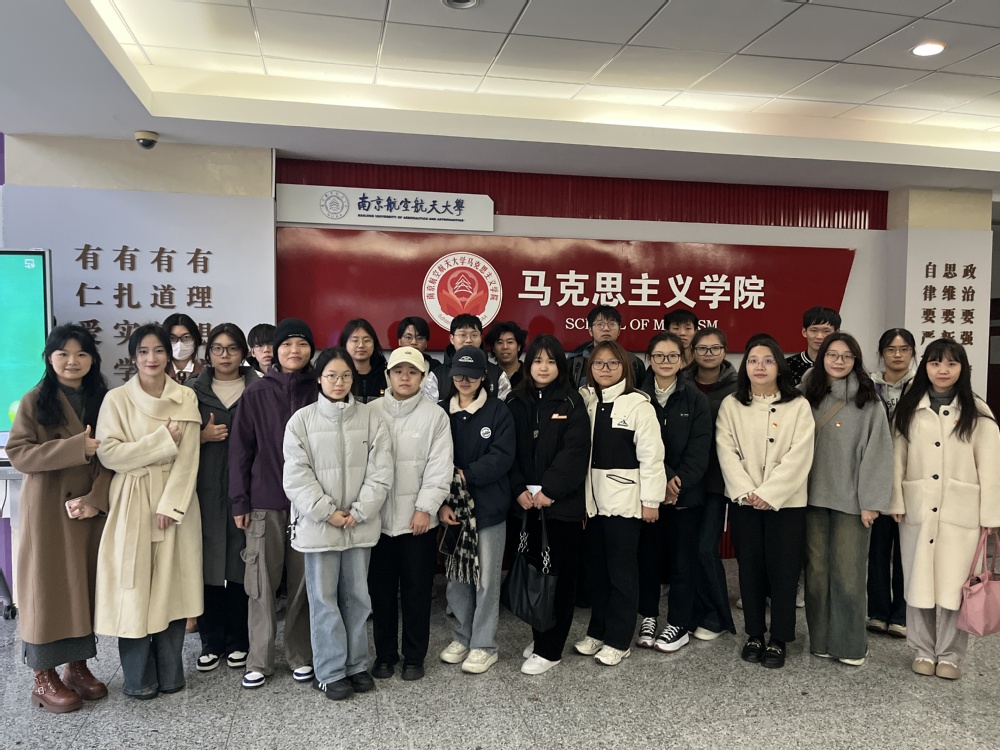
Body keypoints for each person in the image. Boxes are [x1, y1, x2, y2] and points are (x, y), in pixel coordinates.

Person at [7, 324, 113, 713]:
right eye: (63, 354)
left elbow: (114, 455)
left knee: (80, 589)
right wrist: (74, 448)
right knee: (48, 590)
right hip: (50, 512)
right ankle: (43, 676)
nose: (73, 361)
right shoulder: (35, 400)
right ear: (49, 358)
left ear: (92, 359)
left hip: (88, 511)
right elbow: (19, 453)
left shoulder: (103, 398)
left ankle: (77, 667)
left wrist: (97, 499)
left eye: (81, 354)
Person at [94, 323, 203, 698]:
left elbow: (189, 458)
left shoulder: (185, 397)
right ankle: (139, 679)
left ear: (169, 355)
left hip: (176, 502)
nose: (151, 358)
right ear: (133, 356)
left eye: (159, 350)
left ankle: (172, 675)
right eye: (143, 351)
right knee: (135, 589)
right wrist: (161, 442)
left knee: (173, 589)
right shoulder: (117, 399)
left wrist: (172, 506)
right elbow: (109, 454)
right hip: (132, 499)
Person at [283, 347, 393, 700]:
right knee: (324, 600)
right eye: (331, 375)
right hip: (320, 527)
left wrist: (359, 511)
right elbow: (296, 476)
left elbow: (381, 471)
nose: (339, 382)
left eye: (345, 375)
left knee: (358, 598)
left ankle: (356, 665)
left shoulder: (371, 419)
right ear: (319, 378)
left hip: (359, 525)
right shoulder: (301, 421)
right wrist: (327, 511)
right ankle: (330, 671)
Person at [889, 338, 1000, 681]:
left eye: (951, 363)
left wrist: (990, 518)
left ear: (962, 369)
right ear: (925, 366)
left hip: (962, 513)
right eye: (935, 363)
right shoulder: (909, 409)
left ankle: (950, 654)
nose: (942, 370)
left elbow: (991, 468)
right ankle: (922, 649)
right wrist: (896, 500)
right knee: (918, 581)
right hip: (919, 508)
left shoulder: (978, 412)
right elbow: (897, 460)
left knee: (956, 585)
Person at [229, 318, 317, 689]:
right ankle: (259, 659)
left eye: (302, 343)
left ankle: (300, 654)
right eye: (287, 344)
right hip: (265, 501)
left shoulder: (321, 388)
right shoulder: (256, 393)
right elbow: (240, 452)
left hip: (311, 505)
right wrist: (240, 501)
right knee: (261, 585)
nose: (294, 350)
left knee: (302, 585)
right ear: (275, 351)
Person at [716, 336, 814, 670]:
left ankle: (780, 638)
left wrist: (770, 493)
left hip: (787, 504)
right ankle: (755, 634)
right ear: (745, 366)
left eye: (768, 360)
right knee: (750, 569)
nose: (760, 366)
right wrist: (747, 491)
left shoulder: (798, 404)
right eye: (753, 360)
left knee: (784, 572)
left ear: (779, 366)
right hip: (745, 504)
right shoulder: (732, 404)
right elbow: (726, 450)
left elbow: (800, 454)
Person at [801, 332, 893, 667]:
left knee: (849, 576)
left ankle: (851, 645)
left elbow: (878, 453)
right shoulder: (805, 395)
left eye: (847, 356)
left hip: (852, 501)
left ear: (856, 361)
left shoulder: (868, 400)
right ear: (821, 357)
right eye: (832, 354)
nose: (839, 361)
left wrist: (871, 502)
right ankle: (821, 640)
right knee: (816, 575)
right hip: (809, 498)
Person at [573, 341, 666, 667]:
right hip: (591, 503)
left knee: (622, 574)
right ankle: (597, 631)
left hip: (625, 504)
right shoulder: (585, 400)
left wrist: (651, 501)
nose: (605, 369)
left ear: (624, 368)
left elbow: (652, 457)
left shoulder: (638, 404)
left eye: (613, 363)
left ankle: (618, 639)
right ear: (590, 368)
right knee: (596, 572)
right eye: (599, 363)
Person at [506, 335, 591, 675]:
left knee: (560, 577)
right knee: (534, 573)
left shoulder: (571, 401)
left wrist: (549, 490)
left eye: (551, 361)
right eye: (538, 361)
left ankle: (551, 648)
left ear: (561, 366)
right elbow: (507, 450)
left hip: (560, 506)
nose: (544, 367)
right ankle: (540, 634)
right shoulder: (515, 400)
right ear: (529, 365)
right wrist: (518, 489)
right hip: (526, 506)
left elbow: (575, 452)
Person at [368, 346, 453, 682]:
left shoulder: (435, 416)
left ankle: (414, 657)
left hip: (418, 522)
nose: (405, 377)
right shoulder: (369, 412)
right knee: (381, 593)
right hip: (376, 523)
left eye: (412, 372)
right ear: (388, 375)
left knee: (417, 592)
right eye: (398, 371)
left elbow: (439, 468)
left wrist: (425, 509)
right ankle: (385, 655)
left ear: (423, 377)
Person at [438, 346, 516, 675]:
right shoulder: (440, 411)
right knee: (457, 577)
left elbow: (502, 456)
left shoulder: (498, 411)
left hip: (489, 508)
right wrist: (441, 501)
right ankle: (463, 635)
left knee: (485, 579)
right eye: (459, 374)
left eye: (472, 375)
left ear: (484, 376)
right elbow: (432, 458)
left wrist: (466, 474)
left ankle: (484, 644)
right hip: (452, 509)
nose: (465, 380)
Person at [188, 323, 257, 673]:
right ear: (208, 353)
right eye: (217, 348)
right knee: (207, 563)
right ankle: (210, 640)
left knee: (242, 563)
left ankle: (239, 639)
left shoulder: (257, 388)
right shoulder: (191, 391)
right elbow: (172, 438)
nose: (225, 355)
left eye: (232, 348)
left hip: (246, 490)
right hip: (203, 489)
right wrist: (200, 437)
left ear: (243, 352)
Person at [637, 332, 711, 654]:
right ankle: (649, 616)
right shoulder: (637, 397)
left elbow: (699, 450)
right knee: (648, 559)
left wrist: (676, 483)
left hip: (685, 497)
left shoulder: (696, 399)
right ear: (649, 359)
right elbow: (637, 445)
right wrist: (663, 479)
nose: (665, 361)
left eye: (672, 356)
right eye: (659, 356)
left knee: (683, 562)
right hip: (647, 495)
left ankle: (679, 624)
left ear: (682, 360)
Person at [684, 327, 737, 639]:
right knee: (688, 549)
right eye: (702, 348)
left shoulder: (737, 387)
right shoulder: (682, 382)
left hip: (718, 480)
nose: (708, 353)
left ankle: (718, 615)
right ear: (693, 352)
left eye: (715, 348)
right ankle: (695, 611)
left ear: (724, 351)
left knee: (706, 547)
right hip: (686, 479)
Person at [868, 328, 917, 638]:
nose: (897, 355)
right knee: (876, 548)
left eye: (904, 349)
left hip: (911, 477)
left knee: (906, 550)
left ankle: (901, 613)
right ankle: (877, 611)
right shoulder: (868, 386)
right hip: (876, 476)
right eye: (891, 349)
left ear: (912, 353)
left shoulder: (922, 387)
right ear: (882, 353)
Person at [422, 314, 510, 402]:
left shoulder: (497, 374)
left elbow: (504, 408)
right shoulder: (437, 376)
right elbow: (430, 409)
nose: (468, 340)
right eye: (462, 335)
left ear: (480, 338)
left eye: (474, 335)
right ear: (452, 339)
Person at [568, 305, 645, 389]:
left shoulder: (633, 362)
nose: (606, 329)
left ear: (619, 330)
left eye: (611, 324)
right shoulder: (576, 362)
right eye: (600, 324)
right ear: (590, 331)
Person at [784, 306, 840, 386]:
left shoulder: (842, 364)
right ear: (804, 332)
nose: (819, 336)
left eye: (826, 331)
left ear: (836, 333)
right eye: (814, 330)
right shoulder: (787, 365)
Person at [340, 318, 387, 404]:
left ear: (374, 344)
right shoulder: (339, 376)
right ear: (344, 344)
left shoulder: (386, 374)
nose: (361, 345)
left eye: (367, 341)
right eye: (355, 341)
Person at [163, 312, 204, 386]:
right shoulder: (158, 371)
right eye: (172, 338)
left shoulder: (205, 372)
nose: (179, 344)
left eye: (186, 337)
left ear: (195, 340)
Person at [486, 320, 527, 391]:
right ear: (493, 348)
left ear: (519, 346)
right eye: (500, 342)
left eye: (510, 342)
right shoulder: (488, 376)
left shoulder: (529, 375)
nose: (505, 347)